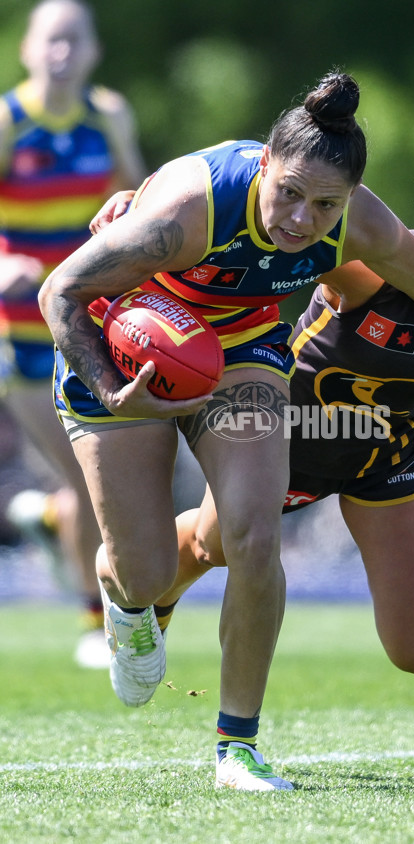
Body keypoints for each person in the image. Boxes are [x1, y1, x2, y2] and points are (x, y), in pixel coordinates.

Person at [39, 72, 414, 791]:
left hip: (240, 354)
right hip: (123, 342)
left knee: (254, 531)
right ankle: (123, 592)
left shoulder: (360, 223)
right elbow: (59, 289)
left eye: (324, 205)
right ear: (262, 167)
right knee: (147, 571)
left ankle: (238, 749)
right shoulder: (188, 214)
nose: (300, 220)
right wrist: (107, 385)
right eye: (288, 193)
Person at [148, 115, 414, 750]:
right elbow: (259, 231)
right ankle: (157, 585)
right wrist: (153, 212)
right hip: (290, 435)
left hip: (390, 461)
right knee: (215, 547)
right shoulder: (365, 263)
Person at [0, 0, 146, 667]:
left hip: (88, 324)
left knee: (88, 472)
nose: (62, 51)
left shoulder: (108, 114)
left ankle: (56, 525)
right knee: (86, 474)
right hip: (21, 332)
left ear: (91, 52)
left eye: (74, 40)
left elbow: (140, 200)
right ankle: (95, 624)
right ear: (28, 49)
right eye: (50, 40)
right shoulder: (9, 119)